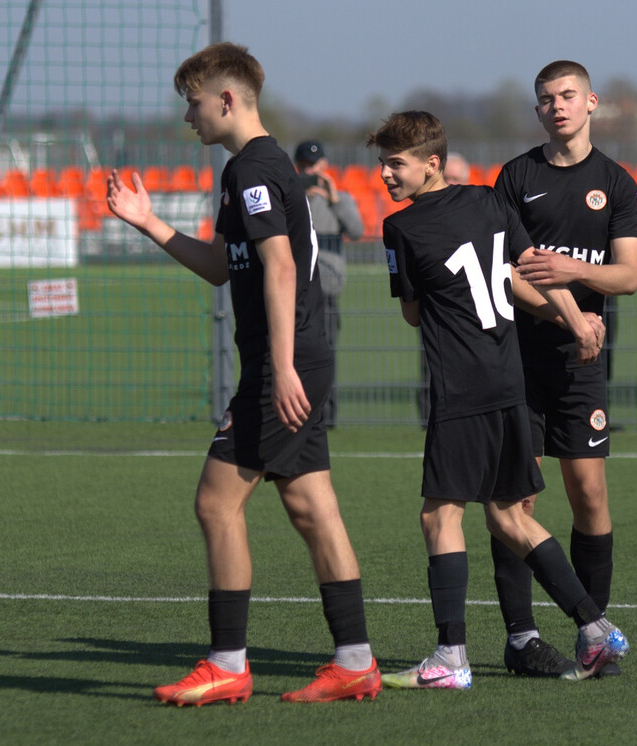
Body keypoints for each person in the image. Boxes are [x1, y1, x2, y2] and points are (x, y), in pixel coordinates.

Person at [105, 42, 380, 707]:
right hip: (298, 357)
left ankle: (228, 663)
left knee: (215, 500)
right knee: (312, 506)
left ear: (227, 100)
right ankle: (355, 662)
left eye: (193, 104)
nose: (188, 118)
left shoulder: (252, 170)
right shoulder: (255, 168)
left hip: (283, 362)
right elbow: (227, 267)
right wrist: (148, 222)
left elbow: (282, 267)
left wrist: (280, 368)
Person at [368, 110, 629, 689]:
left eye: (394, 164)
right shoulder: (489, 202)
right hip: (510, 381)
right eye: (381, 164)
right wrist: (577, 318)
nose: (383, 175)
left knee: (440, 514)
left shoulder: (401, 229)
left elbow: (412, 313)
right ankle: (595, 628)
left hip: (461, 387)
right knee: (509, 516)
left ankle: (451, 658)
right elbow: (526, 273)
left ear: (430, 163)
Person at [495, 60, 637, 678]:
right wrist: (571, 318)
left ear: (591, 103)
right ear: (538, 111)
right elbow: (505, 271)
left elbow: (628, 275)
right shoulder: (515, 177)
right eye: (546, 99)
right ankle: (522, 638)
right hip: (518, 361)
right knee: (516, 498)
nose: (557, 106)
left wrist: (572, 272)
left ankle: (592, 634)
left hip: (581, 364)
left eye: (568, 95)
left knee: (589, 493)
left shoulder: (616, 181)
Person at [293, 139, 365, 427]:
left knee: (326, 356)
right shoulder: (291, 196)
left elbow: (357, 230)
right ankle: (298, 413)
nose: (311, 171)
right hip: (296, 291)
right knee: (295, 355)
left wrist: (332, 199)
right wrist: (299, 193)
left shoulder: (341, 199)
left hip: (327, 291)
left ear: (325, 166)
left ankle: (326, 416)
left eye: (315, 165)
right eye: (305, 166)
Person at [416, 150, 472, 426]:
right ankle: (430, 415)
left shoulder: (480, 217)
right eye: (447, 178)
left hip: (476, 313)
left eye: (457, 179)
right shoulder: (421, 223)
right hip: (437, 312)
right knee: (432, 362)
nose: (451, 184)